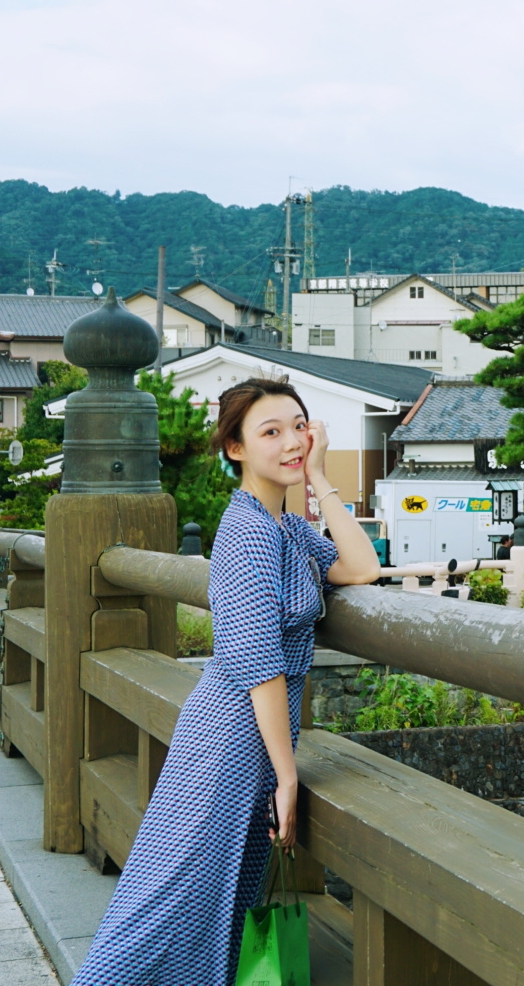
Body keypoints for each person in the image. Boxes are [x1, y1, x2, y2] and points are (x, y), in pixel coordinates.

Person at [72, 378, 381, 985]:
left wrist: (320, 478)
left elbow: (362, 567)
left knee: (221, 896)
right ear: (235, 448)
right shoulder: (245, 533)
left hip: (254, 741)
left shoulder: (285, 528)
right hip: (228, 741)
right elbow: (257, 661)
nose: (292, 441)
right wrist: (287, 774)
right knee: (172, 898)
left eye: (299, 426)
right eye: (271, 432)